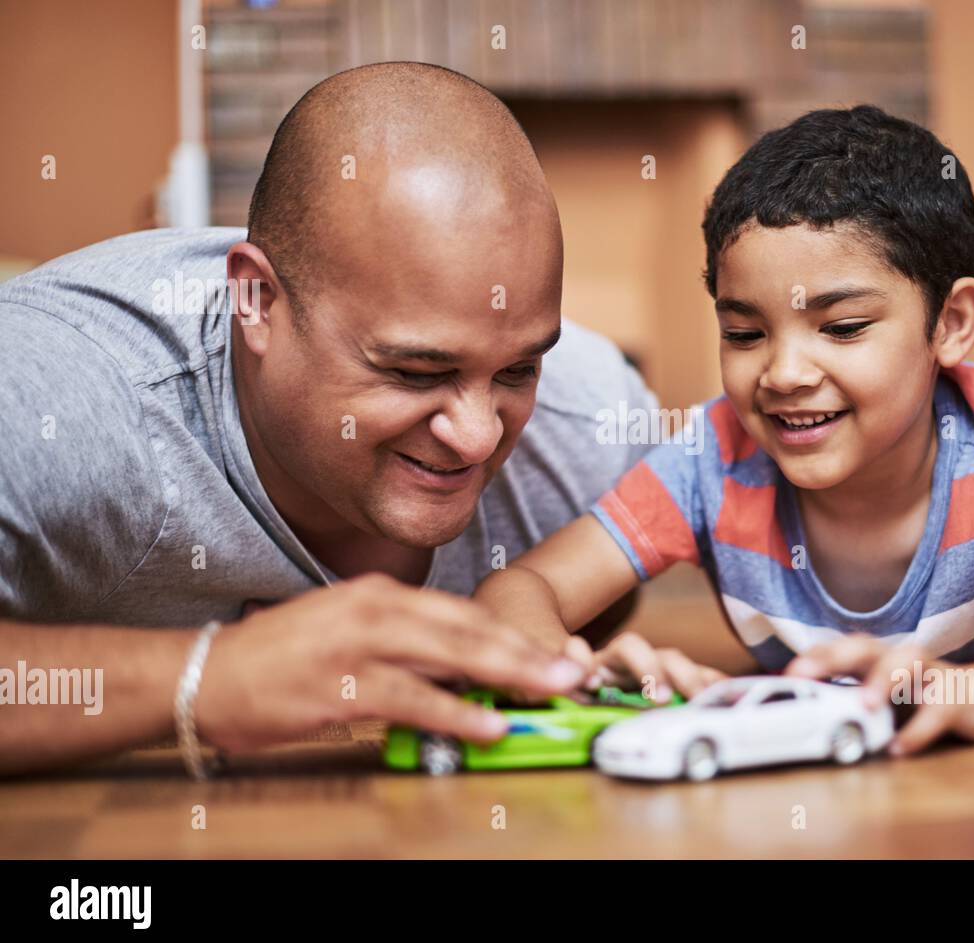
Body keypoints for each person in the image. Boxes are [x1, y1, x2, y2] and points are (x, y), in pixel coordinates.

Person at [0, 63, 662, 775]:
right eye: (416, 372)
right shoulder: (56, 399)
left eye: (518, 371)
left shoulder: (597, 432)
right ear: (256, 301)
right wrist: (207, 677)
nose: (479, 436)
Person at [476, 105, 974, 754]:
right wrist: (565, 668)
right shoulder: (710, 457)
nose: (782, 373)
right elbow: (518, 589)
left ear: (951, 323)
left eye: (841, 329)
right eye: (744, 333)